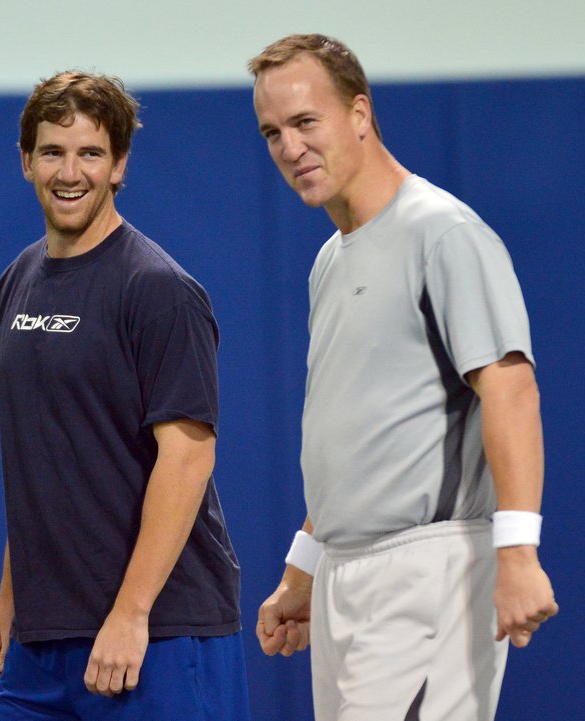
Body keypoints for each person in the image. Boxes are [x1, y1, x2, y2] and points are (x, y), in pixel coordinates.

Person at [249, 34, 558, 721]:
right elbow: (361, 432)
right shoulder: (330, 260)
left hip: (431, 576)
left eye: (305, 122)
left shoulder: (442, 232)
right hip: (344, 577)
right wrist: (304, 567)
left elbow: (511, 388)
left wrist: (518, 553)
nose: (289, 147)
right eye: (272, 132)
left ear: (359, 113)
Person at [0, 71, 250, 721]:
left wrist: (131, 614)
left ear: (119, 164)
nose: (69, 172)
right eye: (52, 151)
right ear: (26, 161)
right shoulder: (15, 283)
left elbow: (187, 460)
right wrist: (11, 601)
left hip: (156, 632)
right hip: (42, 644)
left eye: (90, 153)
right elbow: (45, 457)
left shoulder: (160, 289)